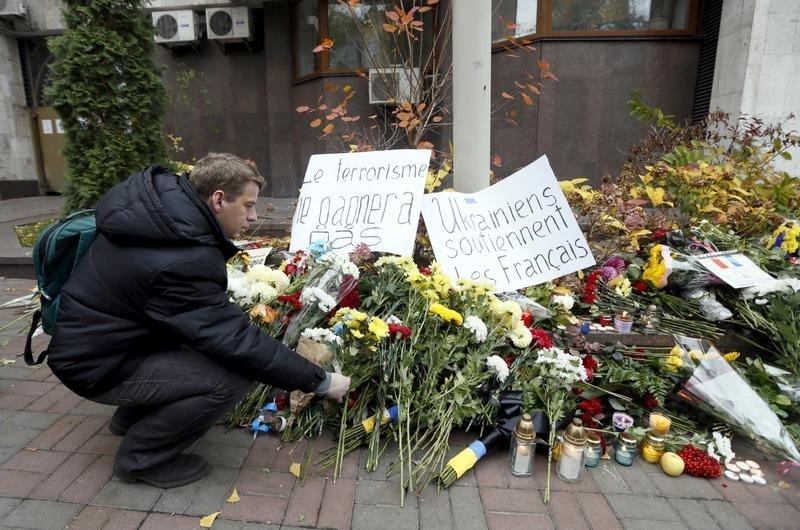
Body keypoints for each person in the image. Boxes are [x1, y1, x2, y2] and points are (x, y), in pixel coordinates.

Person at [46, 153, 351, 488]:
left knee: (208, 353)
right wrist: (321, 381)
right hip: (97, 365)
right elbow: (235, 341)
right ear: (218, 199)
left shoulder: (160, 215)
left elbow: (204, 321)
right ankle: (141, 459)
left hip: (108, 341)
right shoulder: (180, 257)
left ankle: (132, 417)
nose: (251, 217)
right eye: (248, 206)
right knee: (229, 381)